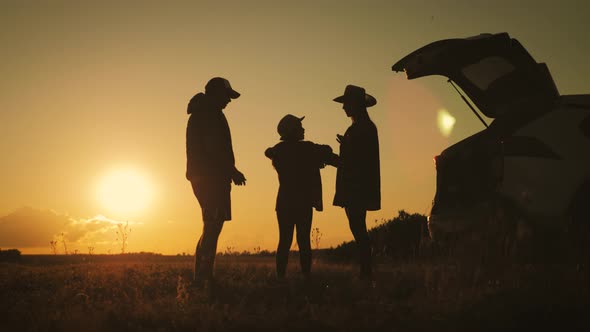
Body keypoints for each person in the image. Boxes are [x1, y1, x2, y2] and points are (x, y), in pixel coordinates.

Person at [186, 77, 246, 284]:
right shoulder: (209, 114)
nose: (229, 101)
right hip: (212, 179)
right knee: (212, 227)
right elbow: (214, 149)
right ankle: (203, 278)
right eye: (226, 96)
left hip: (207, 178)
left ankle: (201, 276)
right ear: (215, 94)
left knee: (210, 226)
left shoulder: (203, 113)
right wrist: (232, 171)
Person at [265, 114, 338, 279]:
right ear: (293, 131)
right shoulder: (307, 148)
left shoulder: (279, 150)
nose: (303, 129)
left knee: (284, 241)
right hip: (303, 202)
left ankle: (280, 277)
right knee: (304, 241)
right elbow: (326, 150)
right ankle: (306, 276)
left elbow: (268, 152)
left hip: (284, 202)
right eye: (300, 127)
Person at [332, 85, 381, 280]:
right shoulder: (363, 127)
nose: (343, 107)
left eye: (346, 104)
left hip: (356, 187)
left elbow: (355, 160)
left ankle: (366, 272)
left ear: (355, 105)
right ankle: (365, 272)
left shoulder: (362, 128)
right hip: (357, 186)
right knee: (358, 228)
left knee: (358, 229)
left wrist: (332, 158)